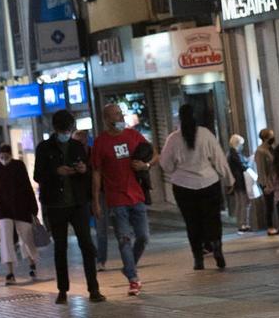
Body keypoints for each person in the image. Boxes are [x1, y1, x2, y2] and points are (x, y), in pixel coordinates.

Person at [35, 109, 104, 303]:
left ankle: (94, 289)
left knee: (87, 246)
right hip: (56, 205)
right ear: (56, 129)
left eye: (69, 129)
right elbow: (38, 175)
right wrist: (56, 172)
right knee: (60, 247)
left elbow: (89, 172)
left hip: (78, 203)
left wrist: (83, 170)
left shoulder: (77, 146)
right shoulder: (44, 148)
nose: (66, 132)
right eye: (63, 129)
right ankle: (63, 290)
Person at [160, 102, 232, 270]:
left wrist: (176, 170)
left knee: (192, 222)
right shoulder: (206, 134)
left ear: (180, 117)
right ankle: (217, 249)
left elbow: (165, 164)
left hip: (183, 186)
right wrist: (230, 180)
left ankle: (198, 259)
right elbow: (219, 159)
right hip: (209, 183)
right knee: (213, 219)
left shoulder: (173, 138)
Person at [90, 103, 152, 295]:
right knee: (124, 240)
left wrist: (145, 165)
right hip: (116, 200)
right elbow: (96, 173)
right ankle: (133, 279)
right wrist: (96, 202)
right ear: (106, 119)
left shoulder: (133, 135)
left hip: (137, 196)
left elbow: (153, 153)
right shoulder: (100, 143)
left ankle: (128, 267)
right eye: (115, 115)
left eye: (120, 114)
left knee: (143, 237)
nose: (119, 117)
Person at [0, 140, 41, 286]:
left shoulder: (18, 166)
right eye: (1, 155)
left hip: (21, 209)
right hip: (6, 211)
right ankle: (10, 272)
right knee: (6, 240)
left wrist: (33, 210)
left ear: (10, 154)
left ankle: (32, 264)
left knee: (26, 238)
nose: (3, 158)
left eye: (5, 155)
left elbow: (27, 188)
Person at [253, 128, 278, 236]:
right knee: (269, 205)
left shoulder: (270, 149)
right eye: (271, 135)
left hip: (274, 180)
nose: (273, 137)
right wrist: (266, 184)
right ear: (266, 137)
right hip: (266, 182)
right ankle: (270, 226)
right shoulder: (260, 151)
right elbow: (261, 169)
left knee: (275, 203)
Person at [226, 133, 252, 232]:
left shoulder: (231, 153)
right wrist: (249, 162)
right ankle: (243, 224)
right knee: (243, 203)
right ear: (237, 144)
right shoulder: (235, 154)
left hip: (238, 181)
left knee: (241, 203)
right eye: (241, 144)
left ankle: (243, 223)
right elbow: (243, 166)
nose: (242, 146)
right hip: (240, 181)